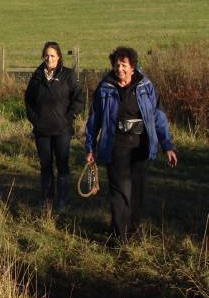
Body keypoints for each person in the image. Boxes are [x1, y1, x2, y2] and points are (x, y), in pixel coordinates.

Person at [85, 46, 177, 242]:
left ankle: (132, 230)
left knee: (136, 192)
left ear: (133, 67)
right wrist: (90, 147)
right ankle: (120, 236)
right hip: (115, 145)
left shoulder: (146, 87)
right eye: (117, 65)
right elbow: (94, 120)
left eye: (124, 65)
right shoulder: (105, 88)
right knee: (120, 192)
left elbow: (158, 116)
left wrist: (167, 145)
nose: (120, 69)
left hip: (140, 147)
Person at [24, 41, 85, 211]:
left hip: (62, 130)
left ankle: (63, 199)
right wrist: (34, 119)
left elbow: (79, 99)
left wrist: (70, 117)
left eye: (52, 55)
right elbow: (28, 100)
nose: (49, 58)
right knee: (45, 166)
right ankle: (47, 199)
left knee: (62, 165)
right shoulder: (37, 76)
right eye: (46, 55)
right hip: (42, 130)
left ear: (58, 57)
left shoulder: (68, 75)